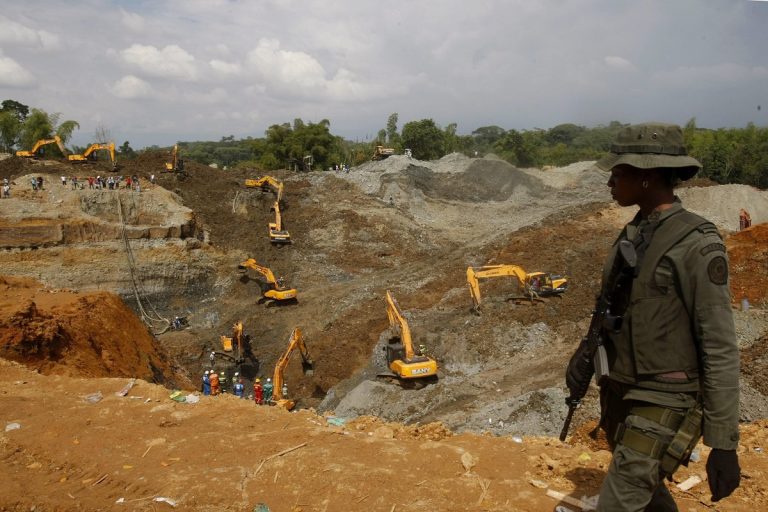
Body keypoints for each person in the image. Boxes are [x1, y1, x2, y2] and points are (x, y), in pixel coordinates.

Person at [565, 123, 740, 511]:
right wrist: (583, 355)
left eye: (619, 172)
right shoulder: (633, 233)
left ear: (646, 177)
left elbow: (720, 344)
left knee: (620, 500)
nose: (610, 180)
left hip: (665, 397)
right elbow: (608, 308)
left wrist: (723, 443)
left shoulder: (696, 243)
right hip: (622, 389)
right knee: (647, 496)